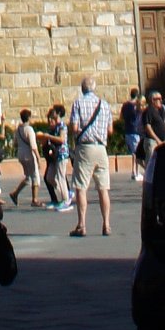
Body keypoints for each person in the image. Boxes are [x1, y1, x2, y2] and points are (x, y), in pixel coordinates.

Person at [67, 77, 113, 239]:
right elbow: (111, 130)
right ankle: (106, 224)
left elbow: (73, 127)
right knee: (103, 188)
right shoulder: (105, 104)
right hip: (101, 148)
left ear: (82, 88)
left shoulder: (78, 103)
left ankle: (82, 224)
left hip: (85, 147)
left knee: (81, 187)